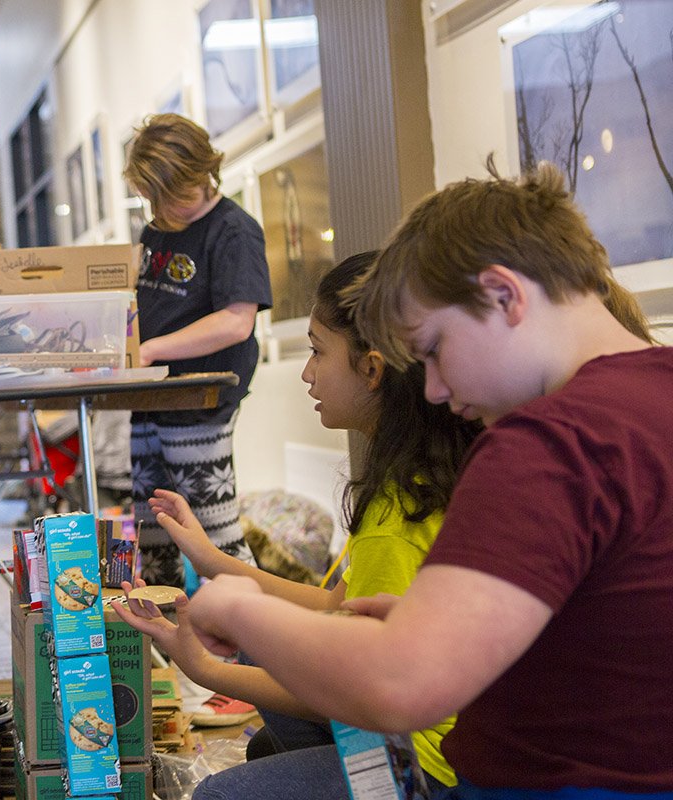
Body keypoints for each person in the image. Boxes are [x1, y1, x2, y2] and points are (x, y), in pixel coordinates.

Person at [183, 162, 672, 796]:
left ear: (503, 295)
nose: (436, 389)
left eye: (435, 348)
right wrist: (442, 623)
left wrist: (239, 610)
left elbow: (398, 689)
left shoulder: (549, 444)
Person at [117, 252, 481, 797]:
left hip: (422, 768)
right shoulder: (412, 474)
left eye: (317, 351)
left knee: (220, 793)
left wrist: (203, 669)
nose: (308, 372)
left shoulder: (397, 513)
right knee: (261, 679)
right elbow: (335, 609)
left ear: (372, 368)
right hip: (401, 722)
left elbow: (364, 691)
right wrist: (212, 561)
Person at [123, 113, 272, 587]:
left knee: (215, 535)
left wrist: (150, 349)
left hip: (200, 400)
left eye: (169, 195)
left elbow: (236, 320)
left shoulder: (233, 230)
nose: (159, 207)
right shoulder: (157, 231)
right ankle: (171, 643)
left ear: (199, 174)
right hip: (152, 399)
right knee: (153, 530)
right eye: (151, 198)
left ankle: (258, 645)